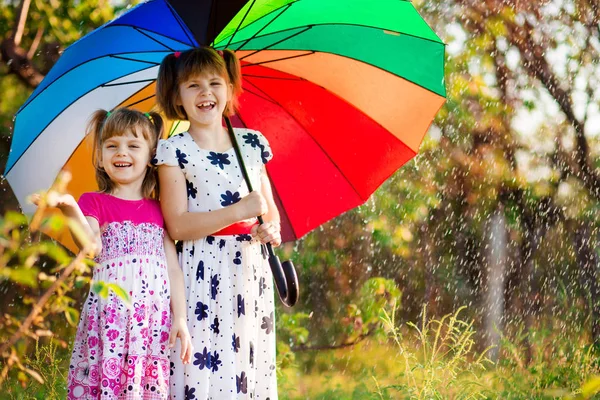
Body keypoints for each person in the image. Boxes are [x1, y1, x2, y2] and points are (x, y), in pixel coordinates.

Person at [32, 108, 193, 399]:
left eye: (133, 146)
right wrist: (68, 206)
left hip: (150, 324)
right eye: (112, 145)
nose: (122, 152)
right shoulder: (93, 202)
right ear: (101, 157)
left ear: (150, 155)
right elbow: (91, 246)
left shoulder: (160, 208)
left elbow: (173, 269)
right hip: (111, 320)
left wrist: (180, 317)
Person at [154, 47, 280, 399]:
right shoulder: (173, 151)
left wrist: (269, 228)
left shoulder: (252, 143)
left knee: (246, 364)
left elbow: (268, 212)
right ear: (177, 96)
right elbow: (177, 225)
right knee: (207, 367)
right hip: (203, 272)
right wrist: (238, 211)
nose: (206, 92)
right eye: (193, 86)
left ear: (229, 88)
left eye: (215, 82)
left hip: (250, 269)